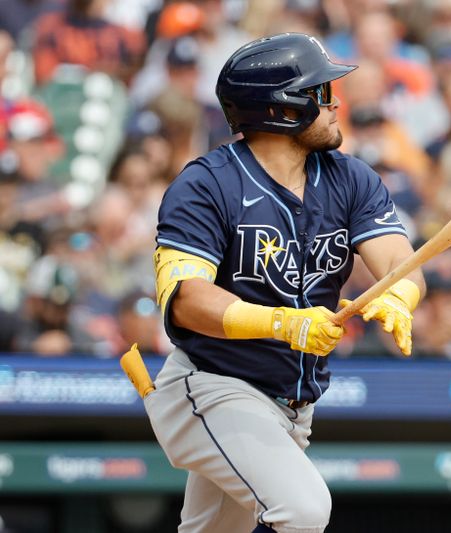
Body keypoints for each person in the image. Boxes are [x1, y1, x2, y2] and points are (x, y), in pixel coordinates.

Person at [139, 33, 425, 533]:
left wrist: (401, 293)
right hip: (212, 387)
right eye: (319, 94)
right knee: (303, 509)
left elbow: (401, 261)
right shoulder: (206, 185)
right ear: (282, 111)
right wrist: (284, 324)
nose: (334, 104)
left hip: (294, 406)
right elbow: (186, 301)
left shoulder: (350, 178)